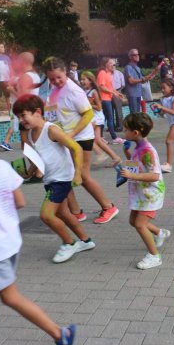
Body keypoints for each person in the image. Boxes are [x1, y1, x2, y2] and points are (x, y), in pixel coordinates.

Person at [0, 110, 77, 345]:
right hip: (9, 241)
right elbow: (20, 201)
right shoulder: (1, 165)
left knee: (9, 296)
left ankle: (59, 333)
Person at [13, 94, 96, 263]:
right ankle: (86, 241)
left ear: (37, 112)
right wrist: (29, 172)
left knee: (46, 215)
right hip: (51, 179)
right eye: (18, 117)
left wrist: (78, 174)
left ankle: (69, 243)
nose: (21, 120)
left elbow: (76, 149)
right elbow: (38, 158)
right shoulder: (30, 135)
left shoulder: (51, 130)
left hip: (61, 180)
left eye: (23, 115)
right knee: (63, 213)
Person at [43, 57, 119, 224]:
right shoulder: (54, 89)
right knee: (64, 176)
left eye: (58, 77)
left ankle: (108, 207)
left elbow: (88, 114)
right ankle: (76, 212)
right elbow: (52, 111)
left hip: (80, 138)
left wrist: (70, 135)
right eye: (52, 78)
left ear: (65, 72)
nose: (56, 81)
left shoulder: (74, 90)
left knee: (83, 177)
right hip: (65, 139)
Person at [120, 112, 170, 269]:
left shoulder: (148, 150)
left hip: (151, 195)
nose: (123, 132)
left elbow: (155, 175)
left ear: (135, 132)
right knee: (133, 222)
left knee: (140, 224)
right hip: (142, 193)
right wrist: (126, 155)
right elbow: (137, 164)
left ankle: (155, 256)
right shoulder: (138, 147)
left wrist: (130, 174)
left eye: (125, 129)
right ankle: (159, 233)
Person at [79, 71, 121, 166]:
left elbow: (99, 107)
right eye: (81, 79)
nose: (82, 81)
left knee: (87, 137)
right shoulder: (84, 91)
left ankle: (100, 154)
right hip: (92, 117)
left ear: (90, 80)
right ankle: (115, 157)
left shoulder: (94, 92)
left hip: (96, 118)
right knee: (97, 139)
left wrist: (89, 104)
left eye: (84, 79)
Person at [96, 57, 125, 144]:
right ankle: (114, 137)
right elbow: (101, 86)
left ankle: (100, 137)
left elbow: (110, 87)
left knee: (104, 118)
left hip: (108, 98)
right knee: (110, 118)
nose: (113, 64)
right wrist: (113, 92)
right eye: (111, 63)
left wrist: (117, 93)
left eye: (113, 63)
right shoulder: (102, 73)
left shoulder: (108, 74)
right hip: (104, 99)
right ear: (106, 64)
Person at [125, 49, 154, 114]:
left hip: (138, 93)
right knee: (134, 114)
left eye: (138, 54)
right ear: (130, 57)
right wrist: (142, 79)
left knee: (137, 114)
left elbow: (142, 81)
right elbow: (131, 81)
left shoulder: (137, 68)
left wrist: (147, 78)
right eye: (135, 55)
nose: (137, 56)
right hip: (132, 94)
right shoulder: (128, 67)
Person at [111, 64, 125, 131]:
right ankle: (111, 127)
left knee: (118, 110)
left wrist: (118, 91)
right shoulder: (107, 74)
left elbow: (123, 85)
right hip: (109, 92)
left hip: (117, 91)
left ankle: (120, 126)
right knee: (110, 111)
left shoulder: (119, 73)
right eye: (111, 65)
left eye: (114, 65)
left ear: (115, 66)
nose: (112, 67)